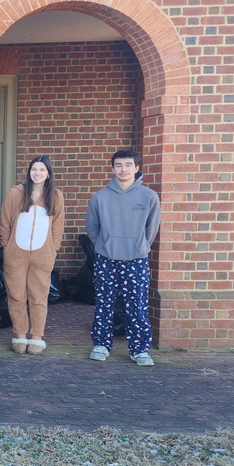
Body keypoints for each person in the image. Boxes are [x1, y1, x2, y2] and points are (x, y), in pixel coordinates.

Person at [86, 150, 161, 366]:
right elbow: (92, 228)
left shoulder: (149, 197)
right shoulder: (100, 197)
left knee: (136, 305)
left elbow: (151, 229)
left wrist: (140, 247)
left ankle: (139, 349)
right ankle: (101, 344)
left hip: (135, 259)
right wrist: (105, 246)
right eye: (118, 165)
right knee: (104, 303)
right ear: (112, 169)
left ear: (137, 168)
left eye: (128, 165)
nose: (123, 169)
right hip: (106, 259)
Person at [0, 156, 65, 356]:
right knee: (16, 295)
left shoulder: (56, 196)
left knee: (38, 296)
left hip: (43, 255)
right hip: (16, 254)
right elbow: (4, 222)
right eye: (34, 169)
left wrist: (53, 249)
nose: (37, 173)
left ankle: (37, 336)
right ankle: (19, 334)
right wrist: (7, 247)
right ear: (29, 172)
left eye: (42, 170)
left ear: (48, 173)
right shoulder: (15, 193)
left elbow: (58, 226)